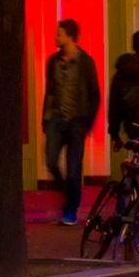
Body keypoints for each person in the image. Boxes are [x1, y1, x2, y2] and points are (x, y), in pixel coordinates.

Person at [40, 19, 100, 226]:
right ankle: (67, 192)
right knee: (50, 160)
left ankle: (71, 209)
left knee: (74, 168)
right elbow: (49, 92)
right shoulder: (53, 62)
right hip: (56, 119)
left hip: (76, 121)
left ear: (70, 37)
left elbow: (94, 94)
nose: (55, 37)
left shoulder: (85, 62)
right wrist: (45, 120)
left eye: (59, 34)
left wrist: (87, 123)